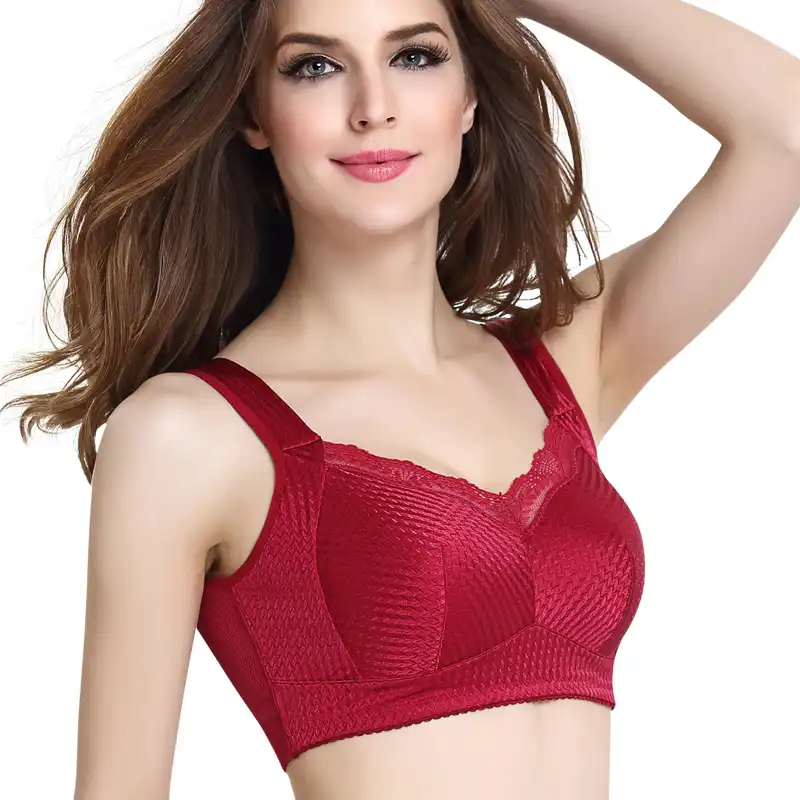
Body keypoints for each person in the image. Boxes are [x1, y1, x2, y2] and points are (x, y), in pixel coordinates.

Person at [2, 0, 799, 798]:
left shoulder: (564, 367)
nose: (374, 106)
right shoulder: (189, 433)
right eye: (315, 66)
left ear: (470, 93)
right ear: (254, 113)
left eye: (415, 56)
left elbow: (784, 127)